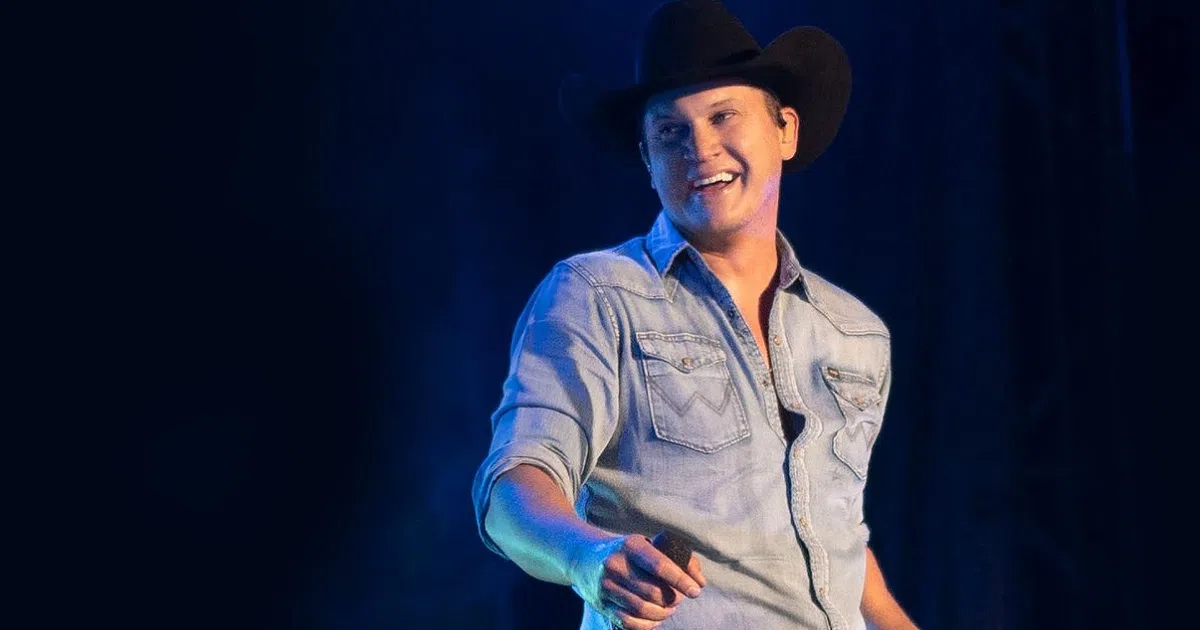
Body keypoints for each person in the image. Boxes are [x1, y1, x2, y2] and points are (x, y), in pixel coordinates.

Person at [471, 1, 920, 628]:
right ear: (648, 160)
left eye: (722, 116)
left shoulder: (854, 332)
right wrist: (587, 558)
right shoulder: (598, 295)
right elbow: (513, 487)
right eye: (670, 133)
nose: (700, 149)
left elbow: (831, 533)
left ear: (785, 131)